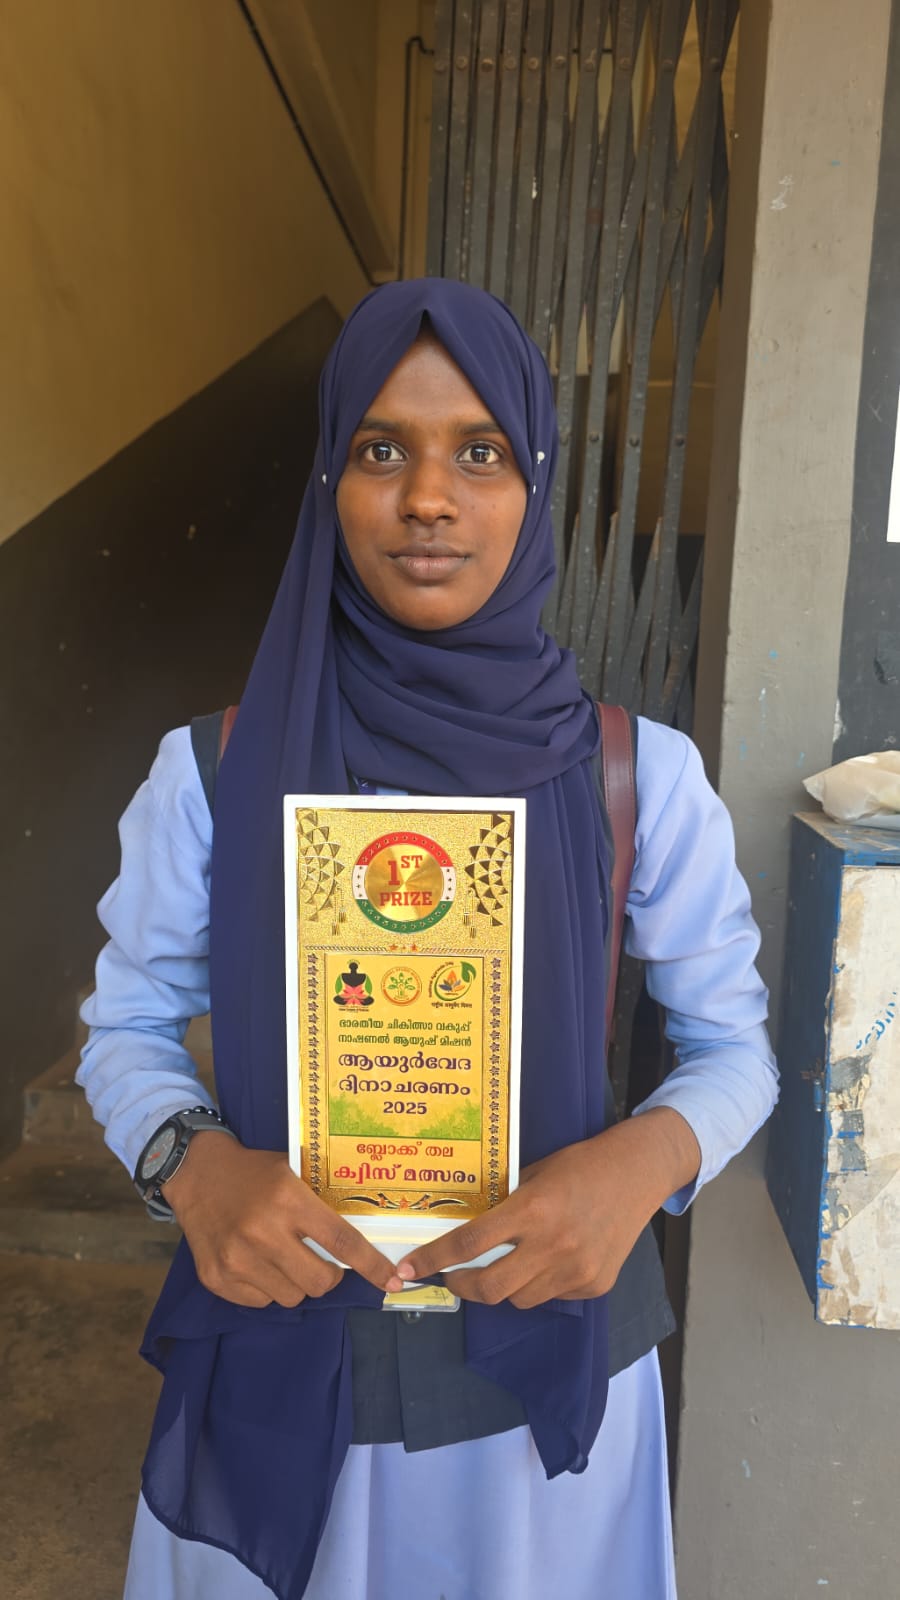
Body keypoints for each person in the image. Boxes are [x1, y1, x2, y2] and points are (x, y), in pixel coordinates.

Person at [77, 278, 777, 1600]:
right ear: (328, 483)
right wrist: (191, 1166)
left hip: (547, 1388)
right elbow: (125, 1025)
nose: (430, 499)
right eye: (382, 449)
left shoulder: (634, 778)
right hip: (287, 1369)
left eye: (482, 453)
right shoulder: (215, 773)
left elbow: (736, 1050)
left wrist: (639, 1166)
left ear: (537, 482)